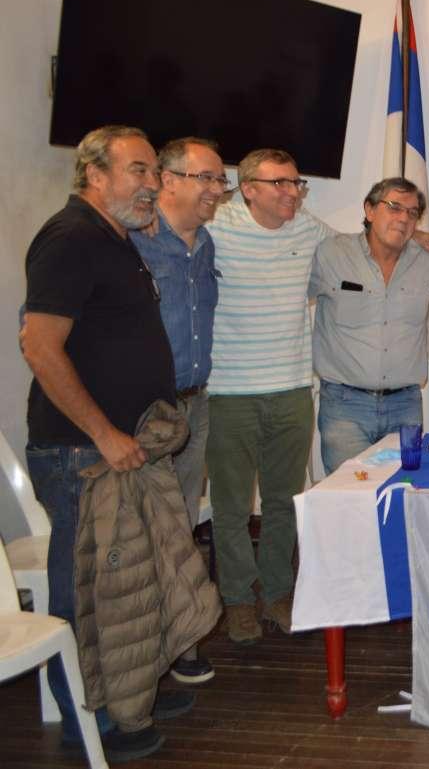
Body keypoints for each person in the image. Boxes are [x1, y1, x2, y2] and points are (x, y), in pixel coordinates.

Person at [22, 125, 194, 761]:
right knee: (88, 591)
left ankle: (130, 693)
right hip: (82, 454)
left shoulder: (116, 238)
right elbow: (40, 347)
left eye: (154, 172)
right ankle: (87, 720)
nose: (152, 184)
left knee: (130, 589)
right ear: (95, 174)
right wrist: (103, 433)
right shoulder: (69, 239)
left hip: (122, 448)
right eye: (139, 171)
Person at [205, 148, 331, 645]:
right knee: (232, 508)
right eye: (279, 184)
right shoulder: (215, 226)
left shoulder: (308, 229)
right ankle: (238, 600)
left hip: (292, 391)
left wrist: (416, 239)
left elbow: (358, 247)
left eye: (296, 183)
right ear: (248, 189)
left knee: (283, 503)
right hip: (229, 393)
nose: (291, 193)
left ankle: (278, 593)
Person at [129, 136, 223, 685]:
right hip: (142, 412)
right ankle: (144, 657)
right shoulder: (131, 241)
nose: (216, 189)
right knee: (141, 533)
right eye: (205, 177)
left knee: (182, 528)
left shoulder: (207, 243)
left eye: (219, 180)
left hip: (193, 406)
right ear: (167, 180)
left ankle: (181, 642)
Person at [309, 178, 429, 473]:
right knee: (349, 493)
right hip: (344, 408)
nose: (404, 218)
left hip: (405, 407)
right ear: (370, 210)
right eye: (394, 207)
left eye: (412, 213)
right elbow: (288, 297)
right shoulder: (331, 254)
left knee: (400, 491)